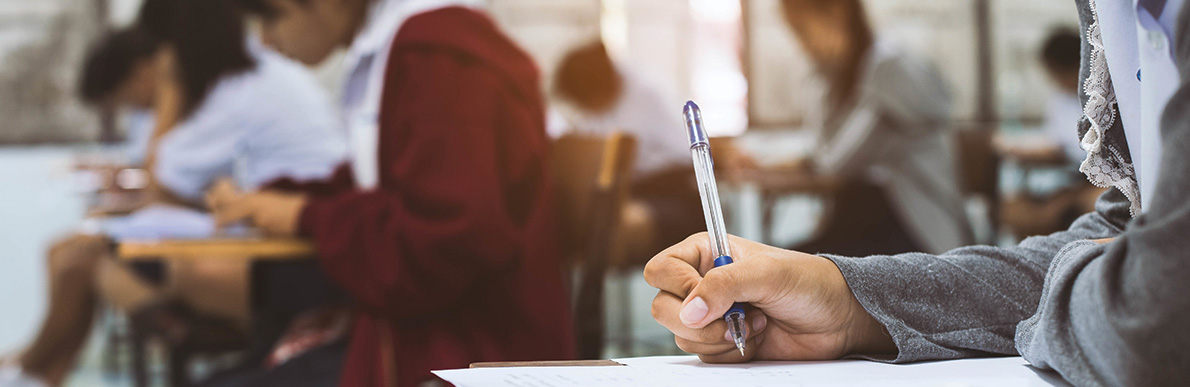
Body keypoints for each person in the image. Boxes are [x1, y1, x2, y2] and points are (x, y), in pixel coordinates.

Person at [644, 0, 1190, 385]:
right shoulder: (1115, 16)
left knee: (828, 231)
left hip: (914, 218)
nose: (803, 40)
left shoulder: (890, 69)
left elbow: (1153, 315)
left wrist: (1119, 278)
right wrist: (842, 299)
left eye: (805, 24)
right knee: (813, 246)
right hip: (883, 219)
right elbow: (1125, 240)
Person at [213, 0, 575, 385]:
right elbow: (388, 178)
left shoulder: (436, 55)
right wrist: (279, 201)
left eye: (272, 17)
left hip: (468, 354)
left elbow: (445, 240)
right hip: (433, 333)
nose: (266, 41)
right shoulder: (405, 45)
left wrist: (304, 215)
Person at [0, 1, 347, 385]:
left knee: (86, 261)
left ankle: (32, 370)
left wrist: (170, 88)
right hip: (279, 240)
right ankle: (39, 370)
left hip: (295, 259)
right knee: (86, 257)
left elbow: (164, 177)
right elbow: (172, 185)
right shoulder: (241, 80)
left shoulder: (242, 86)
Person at [773, 0, 971, 256]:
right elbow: (821, 145)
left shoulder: (890, 69)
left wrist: (803, 160)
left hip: (917, 233)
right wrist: (824, 72)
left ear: (838, 11)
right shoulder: (845, 75)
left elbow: (835, 161)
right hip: (875, 226)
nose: (800, 43)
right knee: (782, 261)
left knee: (786, 266)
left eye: (802, 29)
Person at [551, 40, 704, 255]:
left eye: (589, 102)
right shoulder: (598, 104)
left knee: (604, 229)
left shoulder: (646, 92)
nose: (588, 109)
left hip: (671, 189)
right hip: (627, 190)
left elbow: (683, 153)